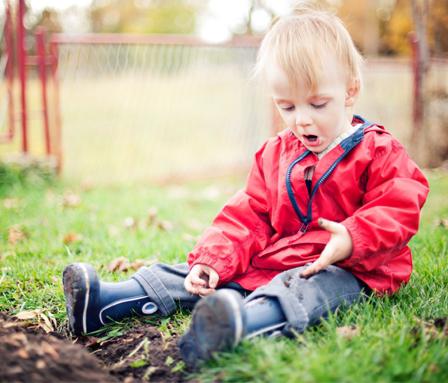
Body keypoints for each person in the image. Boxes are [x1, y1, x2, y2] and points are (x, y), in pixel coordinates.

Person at [62, 6, 429, 369]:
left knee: (304, 289)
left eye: (318, 104)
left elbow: (399, 205)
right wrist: (213, 261)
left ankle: (242, 325)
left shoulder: (378, 150)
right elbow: (248, 214)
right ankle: (107, 302)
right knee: (196, 275)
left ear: (350, 92)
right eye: (287, 106)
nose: (302, 119)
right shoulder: (276, 153)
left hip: (348, 270)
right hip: (273, 260)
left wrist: (351, 237)